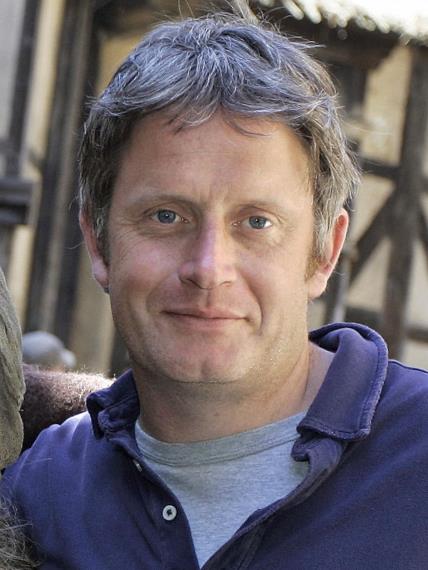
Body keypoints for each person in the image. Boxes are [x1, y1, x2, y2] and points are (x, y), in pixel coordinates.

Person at [2, 12, 428, 570]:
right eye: (166, 215)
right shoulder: (39, 497)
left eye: (256, 222)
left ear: (324, 252)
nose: (208, 269)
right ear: (99, 243)